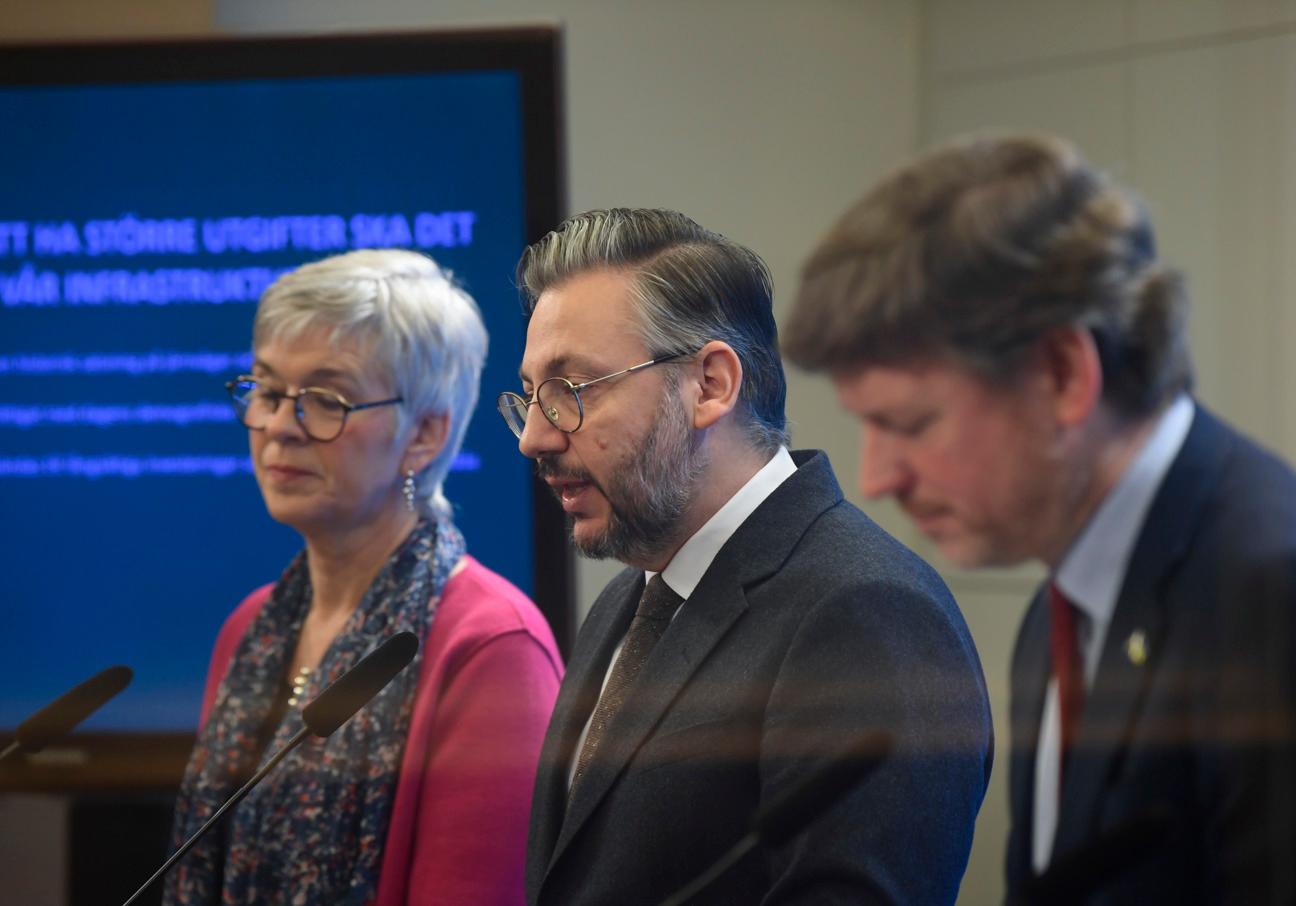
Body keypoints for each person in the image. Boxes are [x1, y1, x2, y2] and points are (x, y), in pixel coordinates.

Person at [782, 133, 1296, 904]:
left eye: (913, 424)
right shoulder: (1052, 620)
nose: (875, 478)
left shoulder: (1271, 593)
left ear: (1062, 375)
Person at [497, 208, 993, 905]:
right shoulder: (629, 599)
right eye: (532, 398)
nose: (535, 439)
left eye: (572, 392)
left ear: (711, 386)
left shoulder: (869, 613)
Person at [165, 249, 563, 906]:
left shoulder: (493, 650)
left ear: (425, 435)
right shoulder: (250, 628)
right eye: (266, 390)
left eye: (325, 399)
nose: (278, 429)